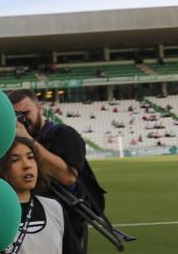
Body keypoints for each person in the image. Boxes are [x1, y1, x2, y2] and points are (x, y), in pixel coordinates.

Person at [9, 89, 106, 243]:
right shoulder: (15, 142)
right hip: (32, 215)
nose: (22, 120)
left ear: (40, 109)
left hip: (64, 217)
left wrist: (28, 140)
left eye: (26, 113)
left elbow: (68, 177)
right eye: (16, 116)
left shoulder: (63, 134)